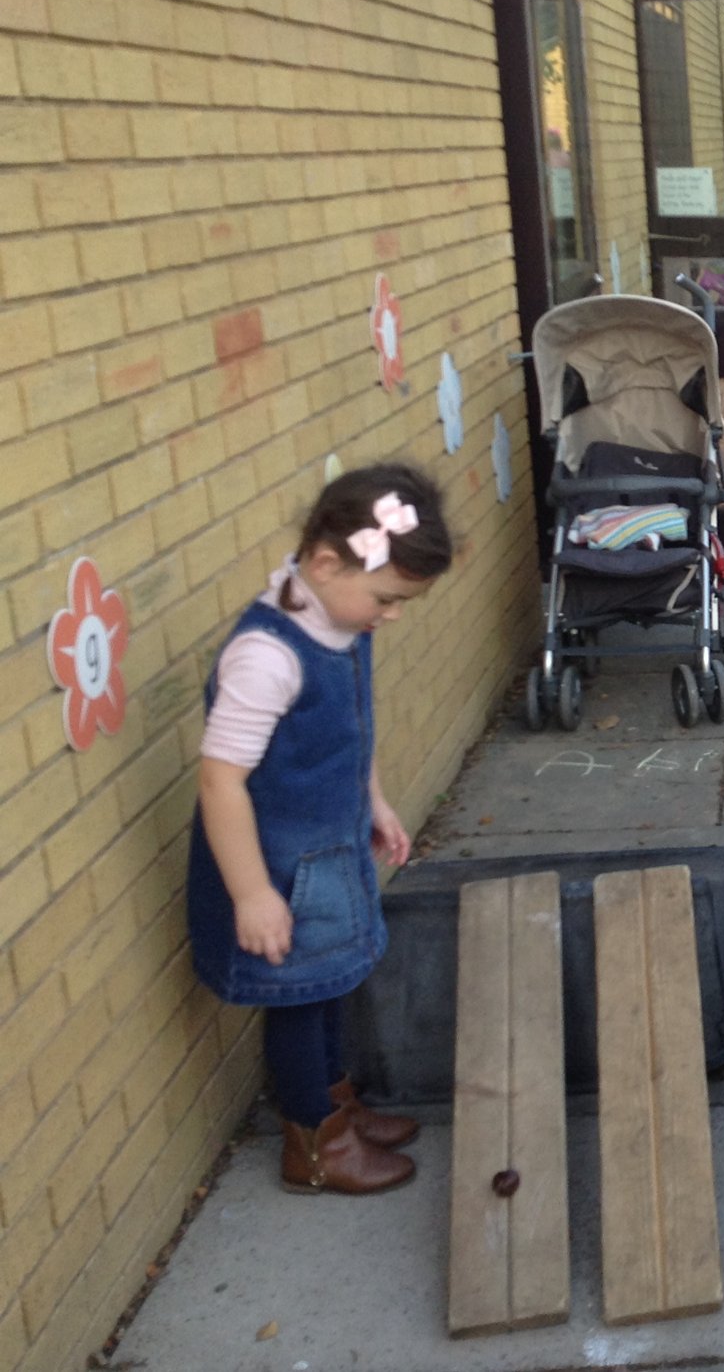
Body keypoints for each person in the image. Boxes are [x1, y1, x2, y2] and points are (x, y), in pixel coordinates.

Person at [187, 463, 454, 1196]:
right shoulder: (267, 658)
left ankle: (338, 1108)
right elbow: (222, 780)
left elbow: (349, 733)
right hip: (278, 870)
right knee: (299, 1001)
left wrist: (375, 802)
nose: (390, 615)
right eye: (386, 598)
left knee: (332, 982)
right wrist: (251, 894)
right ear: (328, 562)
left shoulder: (339, 618)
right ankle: (312, 1146)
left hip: (329, 850)